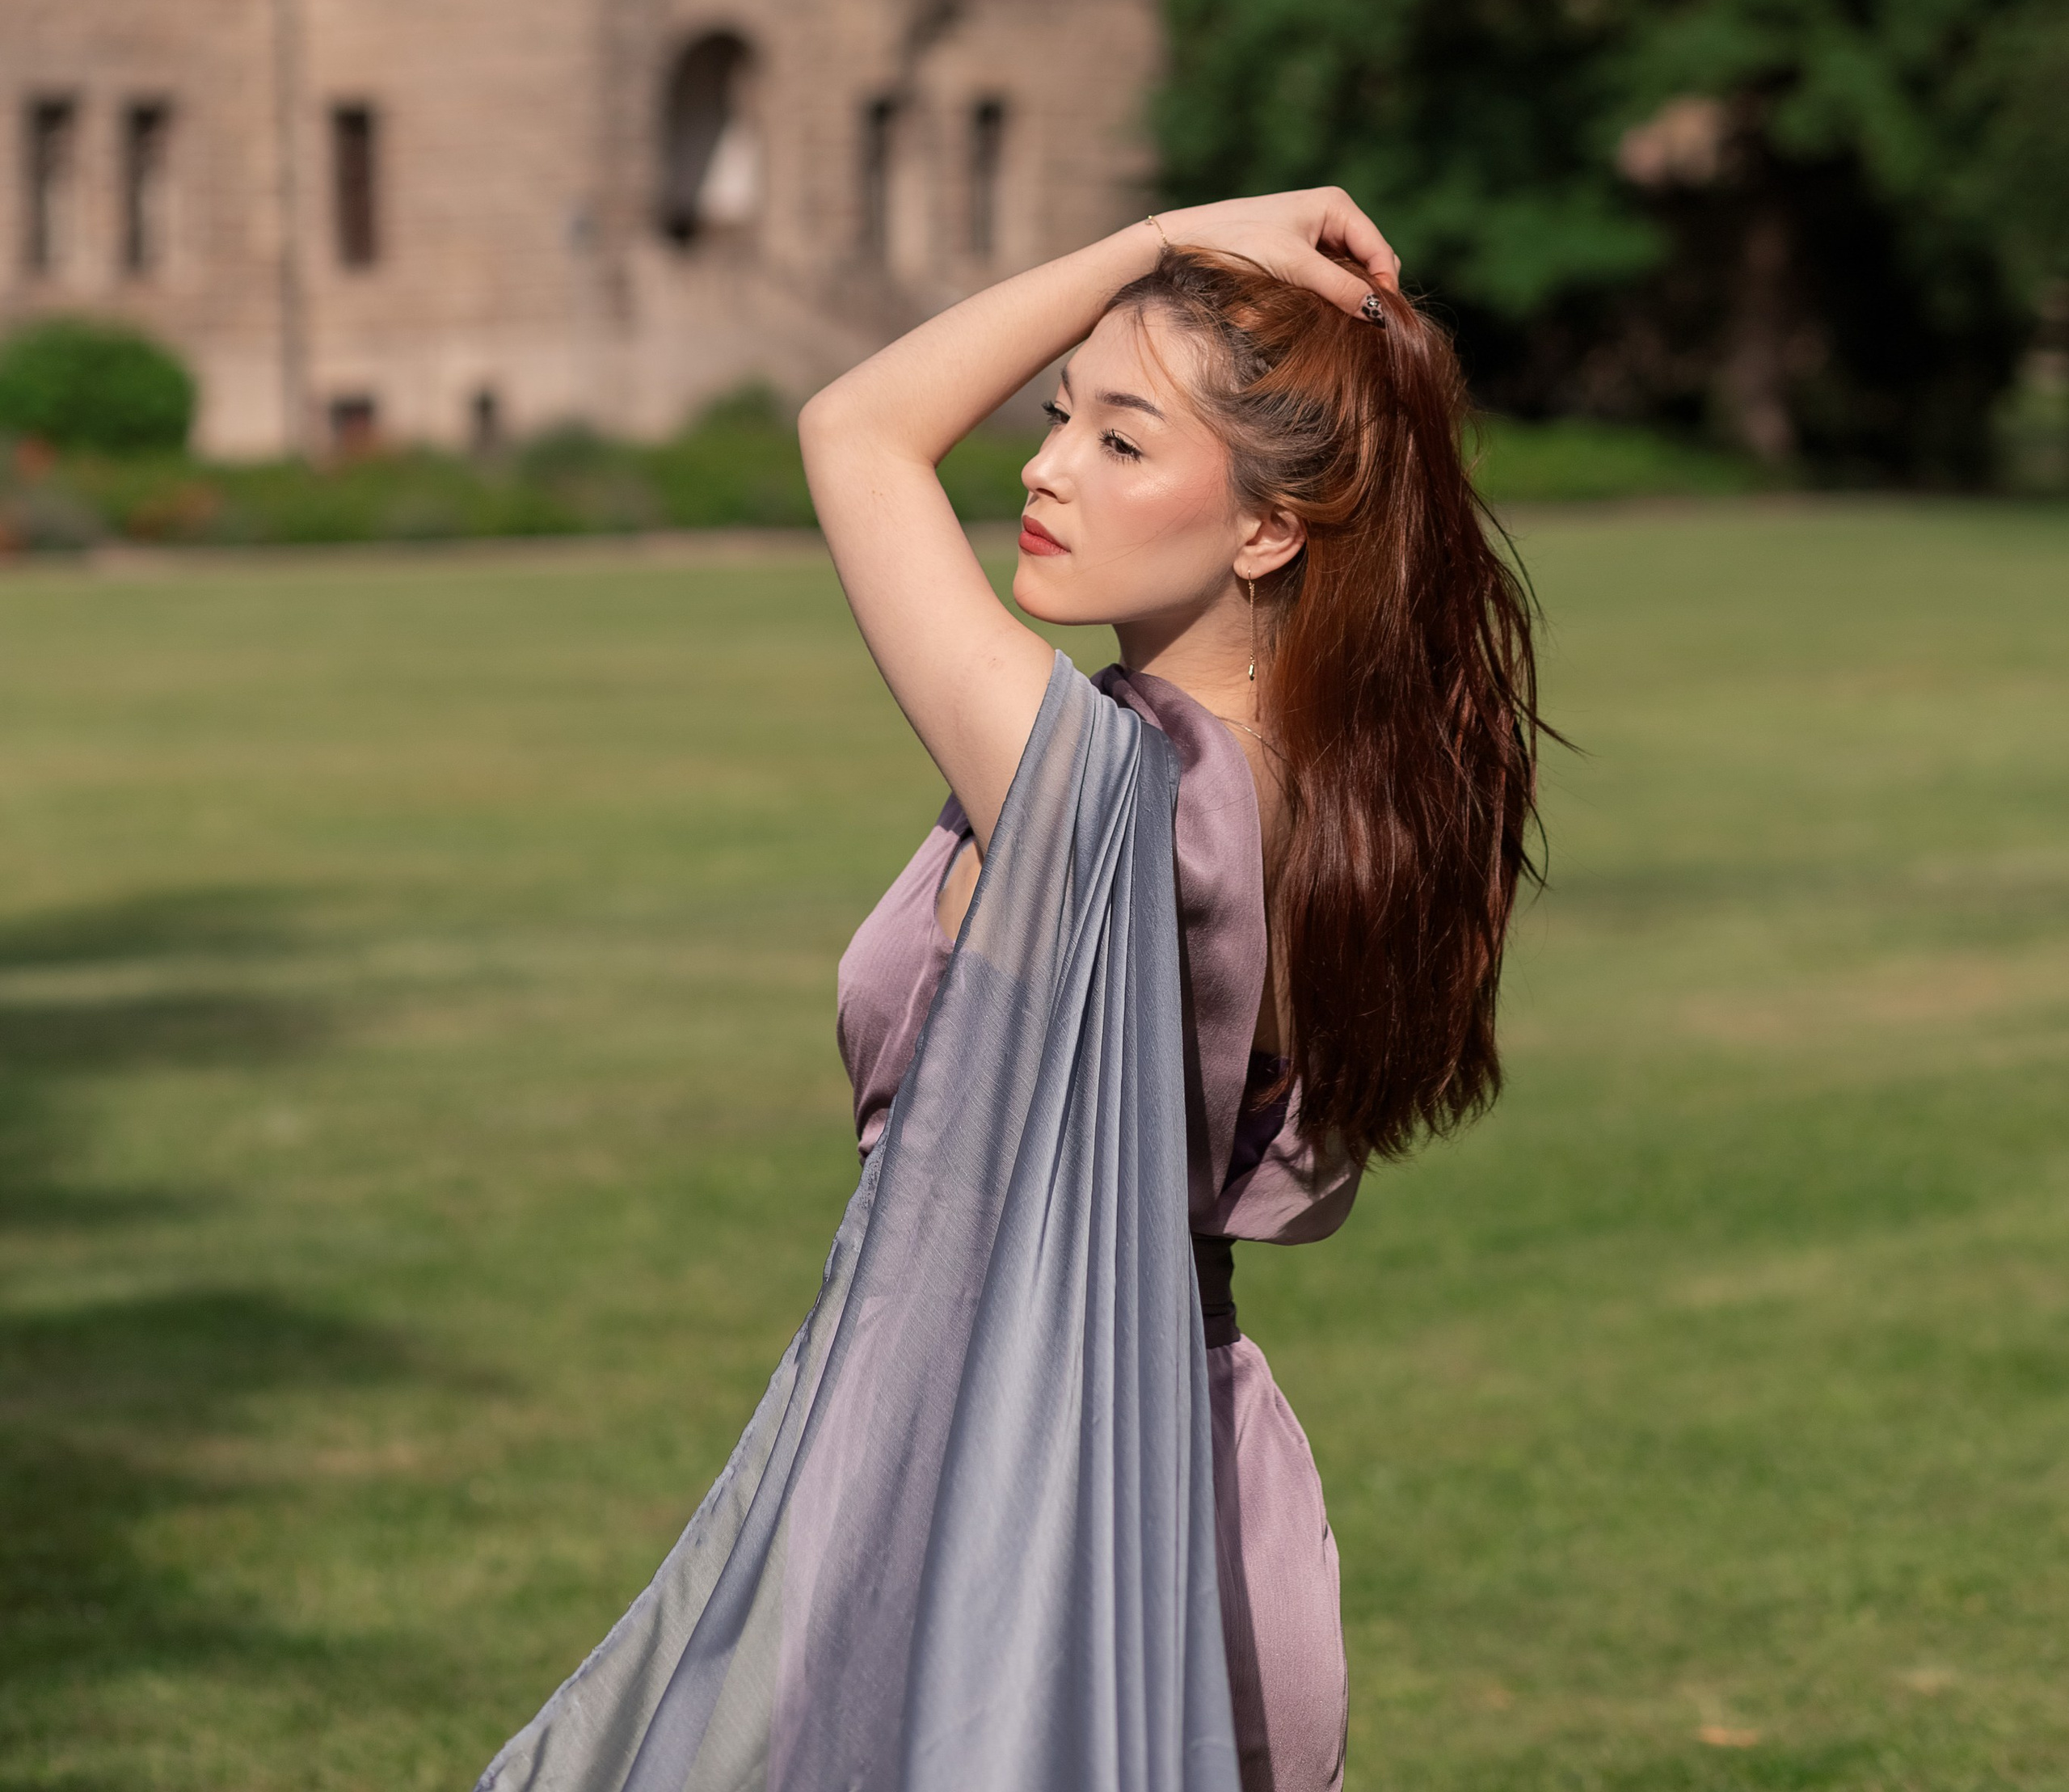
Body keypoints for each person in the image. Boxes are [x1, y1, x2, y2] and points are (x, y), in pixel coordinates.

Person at [474, 189, 1542, 1792]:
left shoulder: (1103, 786)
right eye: (1056, 418)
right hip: (1183, 1462)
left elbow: (853, 430)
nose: (1041, 469)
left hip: (1013, 1488)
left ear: (1265, 527)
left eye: (1122, 440)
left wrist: (1149, 239)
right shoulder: (1341, 791)